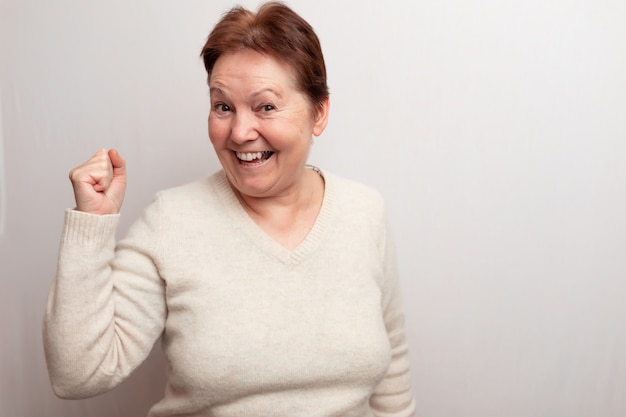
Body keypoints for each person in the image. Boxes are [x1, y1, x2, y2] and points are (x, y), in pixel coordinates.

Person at [43, 2, 417, 416]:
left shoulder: (364, 212)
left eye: (265, 106)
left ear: (319, 112)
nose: (239, 133)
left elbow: (392, 374)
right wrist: (91, 226)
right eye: (223, 106)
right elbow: (78, 375)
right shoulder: (172, 220)